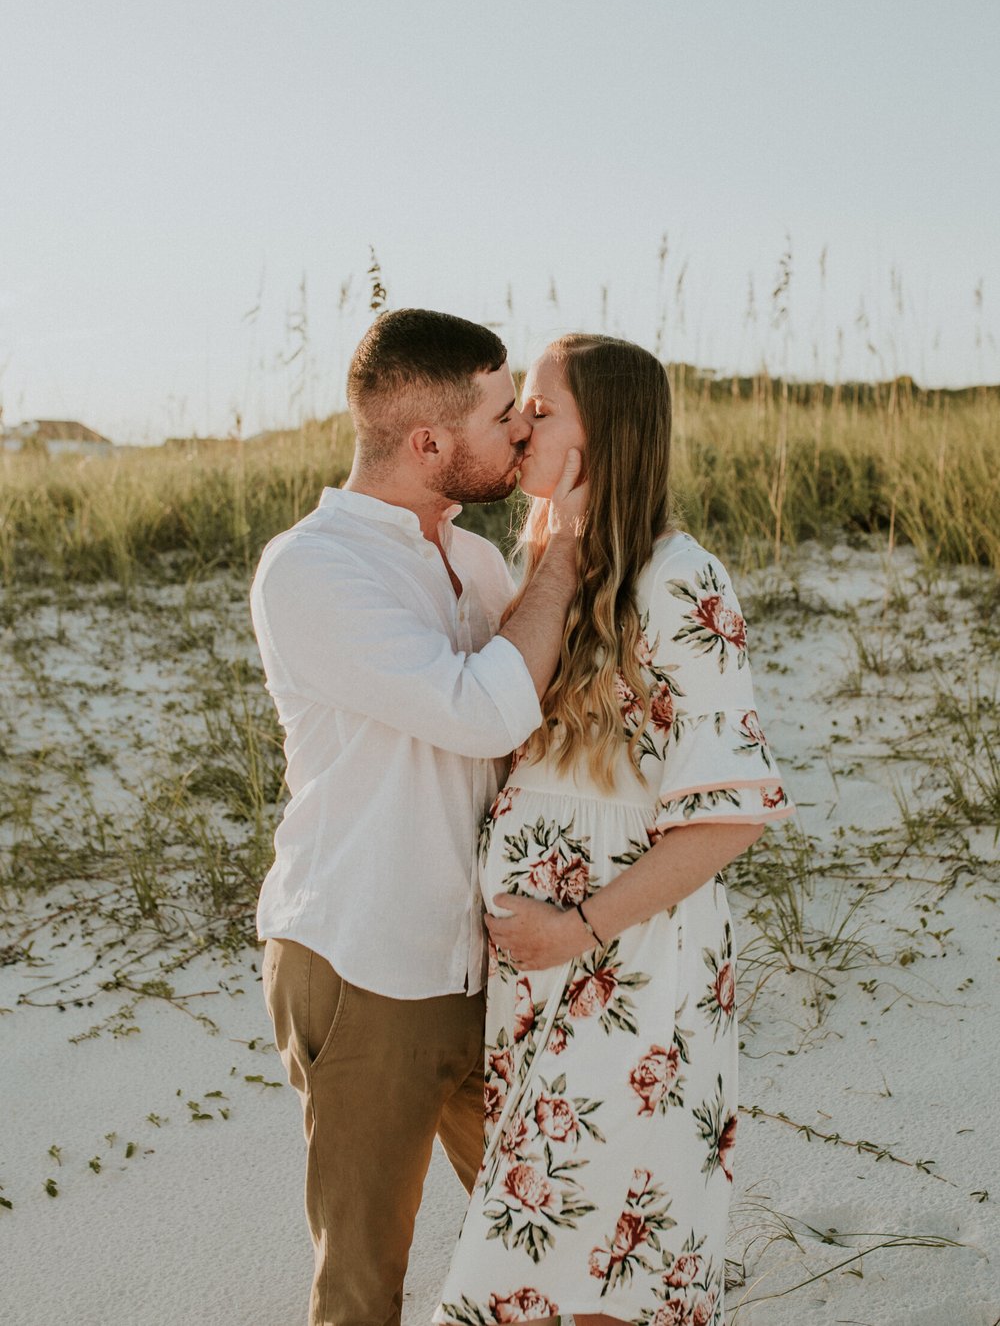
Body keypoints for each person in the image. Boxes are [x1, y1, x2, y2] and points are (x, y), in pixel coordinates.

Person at [434, 335, 794, 1326]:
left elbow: (728, 816)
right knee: (570, 1241)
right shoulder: (545, 562)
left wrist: (579, 927)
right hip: (539, 973)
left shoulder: (679, 579)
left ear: (604, 435)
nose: (521, 427)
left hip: (627, 965)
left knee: (599, 1244)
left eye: (542, 412)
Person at [250, 309, 587, 1326]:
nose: (520, 431)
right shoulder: (312, 569)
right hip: (363, 963)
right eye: (501, 415)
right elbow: (482, 709)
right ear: (429, 442)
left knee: (549, 1234)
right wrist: (564, 551)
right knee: (363, 1285)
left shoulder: (479, 567)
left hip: (484, 961)